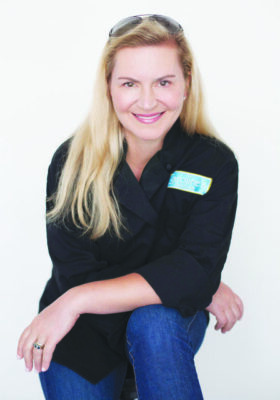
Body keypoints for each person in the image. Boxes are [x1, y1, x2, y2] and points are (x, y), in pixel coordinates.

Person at [17, 14, 244, 400]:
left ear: (187, 83)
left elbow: (81, 292)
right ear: (108, 88)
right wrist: (193, 280)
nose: (148, 100)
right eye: (129, 83)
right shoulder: (71, 162)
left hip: (157, 324)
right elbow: (77, 274)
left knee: (154, 322)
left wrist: (72, 302)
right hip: (82, 333)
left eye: (164, 82)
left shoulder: (214, 163)